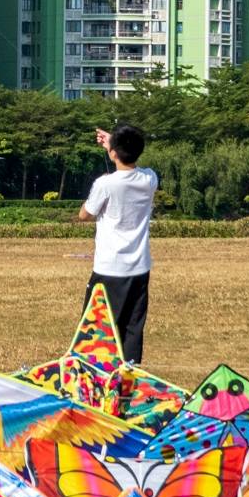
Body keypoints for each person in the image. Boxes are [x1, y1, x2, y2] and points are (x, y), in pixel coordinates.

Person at [75, 123, 158, 365]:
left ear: (113, 153)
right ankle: (128, 380)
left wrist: (114, 146)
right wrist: (116, 141)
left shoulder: (106, 184)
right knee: (132, 328)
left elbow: (85, 214)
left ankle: (94, 377)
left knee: (96, 327)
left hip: (110, 268)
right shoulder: (149, 178)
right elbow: (133, 162)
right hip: (139, 267)